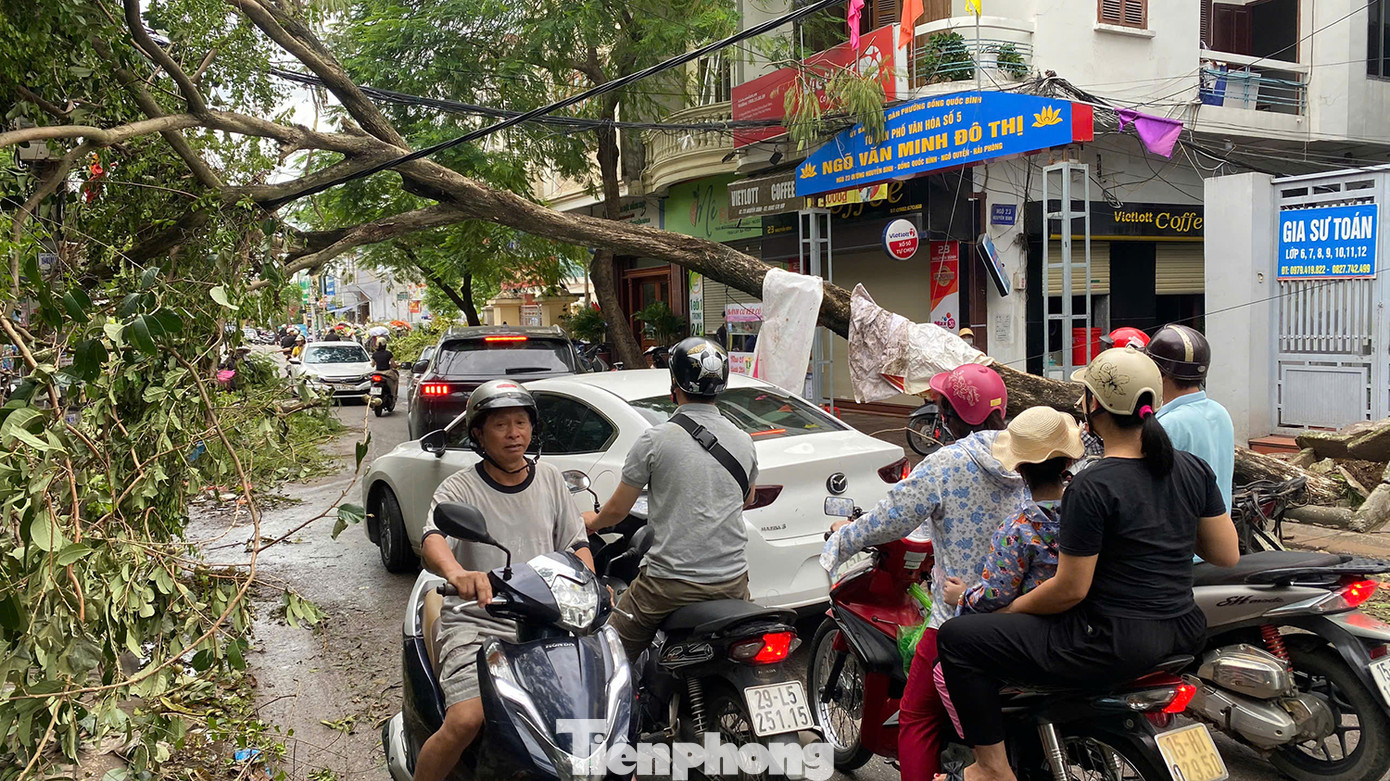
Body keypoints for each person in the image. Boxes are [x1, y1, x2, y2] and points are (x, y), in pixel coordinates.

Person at [935, 348, 1239, 781]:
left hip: (1109, 641)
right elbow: (1226, 554)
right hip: (1182, 631)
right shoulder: (1192, 468)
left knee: (957, 638)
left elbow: (1070, 590)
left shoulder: (1091, 486)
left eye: (1084, 394)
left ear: (1094, 404)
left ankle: (991, 768)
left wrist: (1009, 611)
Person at [821, 363, 1027, 781]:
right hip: (1030, 612)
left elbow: (889, 518)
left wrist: (842, 539)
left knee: (916, 715)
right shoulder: (1030, 453)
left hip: (960, 617)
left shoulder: (946, 463)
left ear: (949, 416)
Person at [414, 380, 594, 781]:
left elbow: (576, 544)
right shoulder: (460, 487)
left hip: (548, 620)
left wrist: (590, 585)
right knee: (467, 718)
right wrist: (458, 573)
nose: (514, 433)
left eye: (521, 423)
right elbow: (433, 539)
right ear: (479, 434)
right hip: (478, 620)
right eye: (501, 425)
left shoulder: (550, 479)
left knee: (597, 707)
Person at [584, 336, 757, 660]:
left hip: (667, 584)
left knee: (606, 657)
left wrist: (591, 522)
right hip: (733, 582)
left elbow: (618, 510)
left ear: (674, 384)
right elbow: (747, 499)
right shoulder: (743, 440)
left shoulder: (655, 439)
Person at [933, 406, 1084, 737]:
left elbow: (995, 594)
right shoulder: (1085, 512)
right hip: (1081, 627)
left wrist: (962, 596)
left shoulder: (1018, 528)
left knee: (943, 672)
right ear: (1067, 463)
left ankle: (983, 749)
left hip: (1032, 631)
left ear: (1019, 468)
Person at [1145, 324, 1235, 511]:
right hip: (1221, 523)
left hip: (1183, 527)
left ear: (1160, 373)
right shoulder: (1220, 412)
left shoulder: (1168, 425)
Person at [372, 337, 398, 401]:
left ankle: (372, 395)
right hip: (387, 373)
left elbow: (373, 365)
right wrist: (398, 365)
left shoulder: (374, 354)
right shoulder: (388, 353)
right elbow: (394, 365)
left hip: (377, 372)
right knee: (396, 379)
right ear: (385, 345)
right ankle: (394, 396)